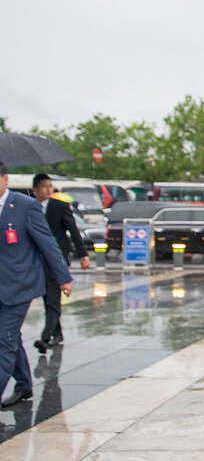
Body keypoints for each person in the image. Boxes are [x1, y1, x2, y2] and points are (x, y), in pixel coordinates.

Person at [0, 162, 73, 408]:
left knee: (4, 340)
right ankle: (23, 384)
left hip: (19, 284)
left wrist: (63, 277)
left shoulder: (25, 206)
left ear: (5, 179)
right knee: (9, 337)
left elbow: (48, 244)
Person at [32, 173, 90, 354]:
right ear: (35, 190)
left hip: (58, 258)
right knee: (47, 297)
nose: (49, 189)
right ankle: (58, 334)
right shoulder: (30, 207)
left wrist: (83, 255)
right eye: (44, 186)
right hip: (39, 259)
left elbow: (73, 231)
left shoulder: (60, 206)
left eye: (50, 186)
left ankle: (45, 337)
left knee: (53, 298)